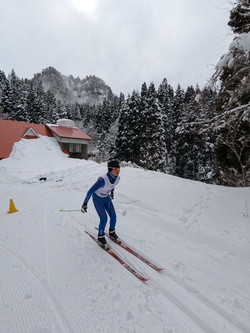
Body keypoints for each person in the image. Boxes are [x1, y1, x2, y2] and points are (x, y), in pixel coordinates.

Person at [81, 160, 121, 248]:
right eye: (116, 168)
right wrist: (84, 204)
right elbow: (89, 192)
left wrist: (112, 193)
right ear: (111, 169)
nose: (118, 170)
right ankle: (100, 236)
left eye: (119, 168)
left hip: (106, 199)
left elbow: (113, 185)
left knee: (113, 216)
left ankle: (112, 232)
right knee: (104, 219)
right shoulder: (102, 180)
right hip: (97, 199)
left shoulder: (118, 178)